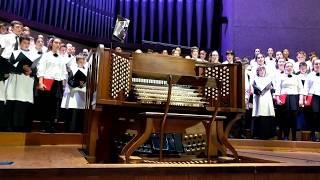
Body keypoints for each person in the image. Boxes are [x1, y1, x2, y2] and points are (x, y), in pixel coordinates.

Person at [4, 36, 35, 131]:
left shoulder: (32, 54)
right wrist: (22, 68)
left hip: (27, 81)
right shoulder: (15, 53)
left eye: (28, 43)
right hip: (16, 81)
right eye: (24, 43)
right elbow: (10, 67)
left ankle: (22, 126)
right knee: (14, 102)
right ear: (20, 43)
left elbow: (36, 68)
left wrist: (31, 71)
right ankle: (11, 126)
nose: (26, 45)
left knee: (24, 104)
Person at [37, 37, 67, 132]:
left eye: (59, 43)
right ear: (51, 44)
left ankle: (51, 125)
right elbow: (41, 69)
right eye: (56, 42)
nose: (58, 44)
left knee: (54, 105)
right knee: (45, 104)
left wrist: (63, 85)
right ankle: (44, 125)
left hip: (57, 83)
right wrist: (41, 82)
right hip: (47, 80)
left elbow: (63, 72)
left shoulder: (62, 58)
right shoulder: (46, 55)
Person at [275, 62, 304, 140]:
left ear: (293, 68)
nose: (289, 68)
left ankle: (294, 137)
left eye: (291, 66)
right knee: (286, 118)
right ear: (284, 68)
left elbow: (301, 89)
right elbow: (277, 89)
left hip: (295, 98)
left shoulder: (297, 77)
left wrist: (301, 99)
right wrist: (277, 99)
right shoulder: (280, 77)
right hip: (285, 98)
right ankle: (286, 136)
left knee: (294, 118)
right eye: (287, 66)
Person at [61, 55, 87, 132]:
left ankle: (78, 130)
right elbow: (70, 81)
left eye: (83, 61)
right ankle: (69, 130)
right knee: (72, 113)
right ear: (76, 62)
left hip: (82, 95)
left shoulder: (87, 70)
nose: (82, 63)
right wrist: (78, 83)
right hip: (73, 94)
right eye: (80, 61)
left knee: (80, 113)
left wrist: (83, 83)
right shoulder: (73, 69)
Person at [251, 66, 275, 139]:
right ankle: (258, 134)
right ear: (257, 72)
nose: (261, 72)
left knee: (267, 114)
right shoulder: (255, 79)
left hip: (267, 99)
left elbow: (271, 88)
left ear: (265, 71)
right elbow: (254, 87)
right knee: (259, 114)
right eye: (260, 70)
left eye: (263, 70)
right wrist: (259, 92)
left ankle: (268, 134)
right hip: (258, 99)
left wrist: (263, 91)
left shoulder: (269, 79)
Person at [303, 59, 320, 141]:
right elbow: (306, 87)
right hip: (313, 96)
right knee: (315, 116)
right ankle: (312, 134)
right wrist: (305, 99)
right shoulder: (310, 75)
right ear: (313, 65)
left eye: (319, 64)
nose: (318, 65)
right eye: (316, 64)